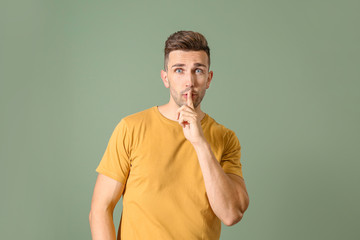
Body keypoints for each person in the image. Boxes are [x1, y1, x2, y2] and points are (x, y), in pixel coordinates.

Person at [89, 30, 249, 240]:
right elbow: (100, 209)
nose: (189, 81)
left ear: (209, 79)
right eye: (179, 70)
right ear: (166, 77)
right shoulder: (131, 128)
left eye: (198, 70)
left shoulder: (225, 138)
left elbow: (231, 214)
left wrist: (200, 142)